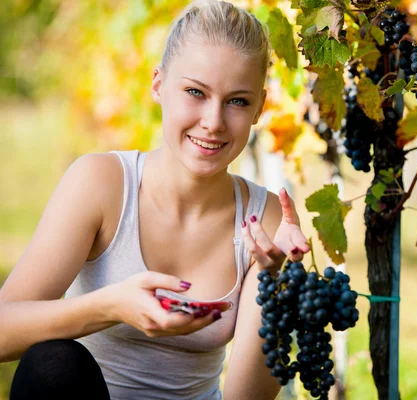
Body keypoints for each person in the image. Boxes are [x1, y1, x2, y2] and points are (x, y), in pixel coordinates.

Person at [0, 1, 310, 399]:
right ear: (159, 85)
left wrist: (275, 282)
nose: (213, 121)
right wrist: (111, 306)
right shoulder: (102, 183)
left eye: (237, 101)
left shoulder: (264, 219)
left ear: (259, 108)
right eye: (195, 92)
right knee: (52, 365)